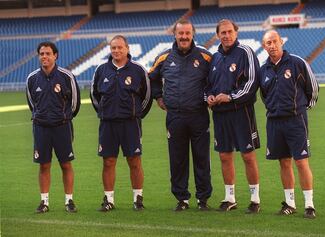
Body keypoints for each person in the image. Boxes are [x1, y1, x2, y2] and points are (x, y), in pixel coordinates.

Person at [149, 19, 212, 211]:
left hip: (198, 115)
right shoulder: (163, 58)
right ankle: (182, 199)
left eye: (187, 33)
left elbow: (216, 78)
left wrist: (210, 96)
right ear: (174, 35)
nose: (184, 37)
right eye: (180, 33)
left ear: (193, 34)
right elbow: (152, 79)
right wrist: (158, 97)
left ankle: (203, 199)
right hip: (175, 117)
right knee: (177, 159)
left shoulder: (206, 57)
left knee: (202, 158)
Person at [260, 30, 319, 219]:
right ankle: (290, 203)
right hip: (275, 122)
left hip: (296, 120)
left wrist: (301, 109)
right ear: (264, 46)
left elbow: (313, 89)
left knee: (301, 162)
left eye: (274, 41)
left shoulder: (297, 62)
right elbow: (264, 96)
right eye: (268, 42)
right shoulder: (264, 70)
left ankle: (309, 205)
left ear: (281, 42)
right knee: (284, 162)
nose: (272, 45)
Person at [90, 35, 151, 212]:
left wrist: (136, 115)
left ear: (127, 48)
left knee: (134, 161)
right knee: (108, 161)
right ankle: (109, 199)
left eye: (119, 48)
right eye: (113, 48)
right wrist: (103, 112)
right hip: (108, 124)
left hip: (130, 124)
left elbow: (146, 96)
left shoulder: (138, 70)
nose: (116, 51)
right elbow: (95, 95)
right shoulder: (101, 70)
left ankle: (138, 198)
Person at [206, 19, 261, 213]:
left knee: (247, 156)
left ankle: (255, 199)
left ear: (236, 33)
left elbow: (252, 82)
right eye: (223, 33)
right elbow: (207, 85)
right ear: (218, 35)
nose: (227, 35)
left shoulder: (245, 52)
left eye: (230, 32)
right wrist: (209, 97)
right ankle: (230, 198)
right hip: (220, 115)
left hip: (241, 112)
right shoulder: (215, 58)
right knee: (224, 156)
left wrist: (230, 97)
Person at [26, 41, 81, 213]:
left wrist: (62, 117)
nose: (44, 57)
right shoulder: (32, 78)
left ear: (55, 55)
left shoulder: (67, 76)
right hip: (41, 128)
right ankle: (44, 202)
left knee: (66, 164)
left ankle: (69, 201)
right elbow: (32, 104)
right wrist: (41, 117)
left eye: (48, 53)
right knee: (44, 165)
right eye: (41, 54)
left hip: (62, 127)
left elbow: (75, 104)